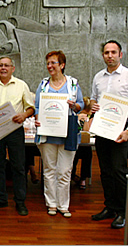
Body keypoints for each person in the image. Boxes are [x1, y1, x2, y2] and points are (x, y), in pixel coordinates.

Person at [0, 55, 35, 216]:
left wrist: (24, 116)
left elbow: (30, 108)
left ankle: (20, 201)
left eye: (6, 65)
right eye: (1, 65)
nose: (3, 68)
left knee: (18, 167)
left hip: (15, 130)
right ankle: (1, 199)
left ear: (13, 68)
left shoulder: (21, 85)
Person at [34, 50, 84, 218]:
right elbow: (37, 107)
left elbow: (81, 105)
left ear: (62, 65)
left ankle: (64, 205)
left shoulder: (72, 84)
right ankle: (52, 204)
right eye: (48, 63)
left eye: (53, 63)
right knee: (49, 170)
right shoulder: (43, 84)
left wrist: (73, 106)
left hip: (67, 132)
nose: (50, 66)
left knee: (64, 171)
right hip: (47, 133)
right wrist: (37, 119)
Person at [90, 40, 128, 229]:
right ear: (103, 56)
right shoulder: (98, 77)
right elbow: (93, 99)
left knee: (118, 171)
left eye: (113, 52)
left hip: (121, 129)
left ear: (120, 55)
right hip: (102, 128)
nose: (110, 55)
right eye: (106, 52)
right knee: (105, 171)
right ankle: (110, 207)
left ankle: (123, 212)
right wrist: (92, 105)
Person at [71, 96, 93, 190]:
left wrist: (86, 121)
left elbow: (87, 132)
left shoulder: (91, 117)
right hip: (74, 141)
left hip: (85, 143)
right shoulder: (73, 114)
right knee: (73, 153)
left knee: (87, 152)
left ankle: (83, 178)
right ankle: (72, 175)